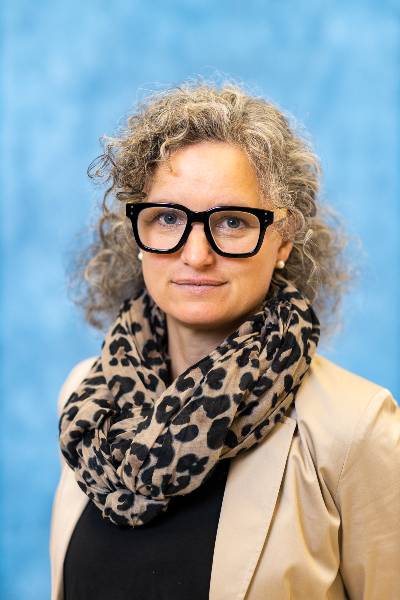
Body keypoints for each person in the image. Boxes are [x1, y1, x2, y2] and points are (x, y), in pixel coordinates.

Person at [49, 81, 400, 600]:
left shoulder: (354, 431)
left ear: (283, 239)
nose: (196, 255)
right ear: (137, 233)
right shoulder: (86, 400)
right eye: (168, 218)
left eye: (232, 221)